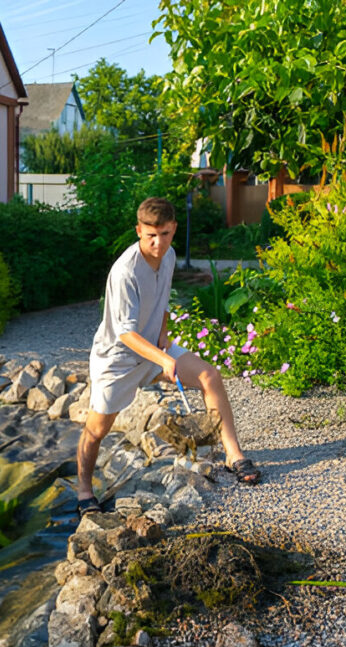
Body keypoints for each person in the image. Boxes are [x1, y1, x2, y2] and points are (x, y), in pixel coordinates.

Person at [76, 197, 262, 516]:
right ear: (138, 230)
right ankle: (83, 491)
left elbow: (162, 300)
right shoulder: (125, 272)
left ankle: (234, 455)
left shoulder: (170, 255)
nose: (157, 242)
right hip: (116, 360)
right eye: (150, 234)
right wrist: (162, 360)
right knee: (96, 430)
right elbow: (125, 333)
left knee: (210, 377)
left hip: (153, 347)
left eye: (164, 233)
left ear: (173, 228)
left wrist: (163, 335)